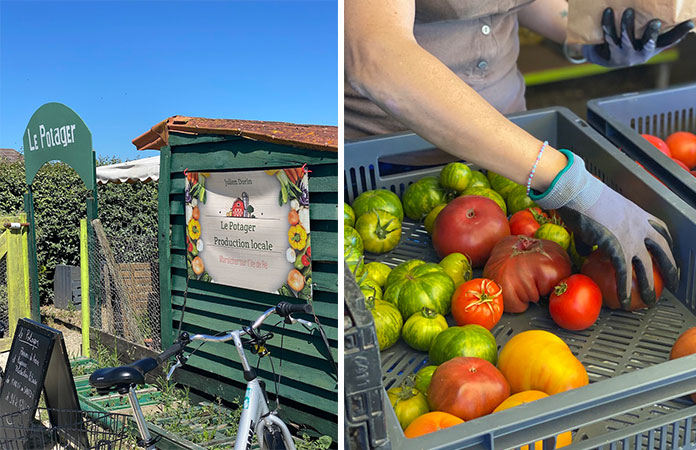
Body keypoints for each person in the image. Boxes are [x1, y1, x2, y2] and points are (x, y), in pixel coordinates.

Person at [345, 0, 693, 308]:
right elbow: (377, 54)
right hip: (386, 160)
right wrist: (572, 185)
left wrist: (583, 33)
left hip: (514, 149)